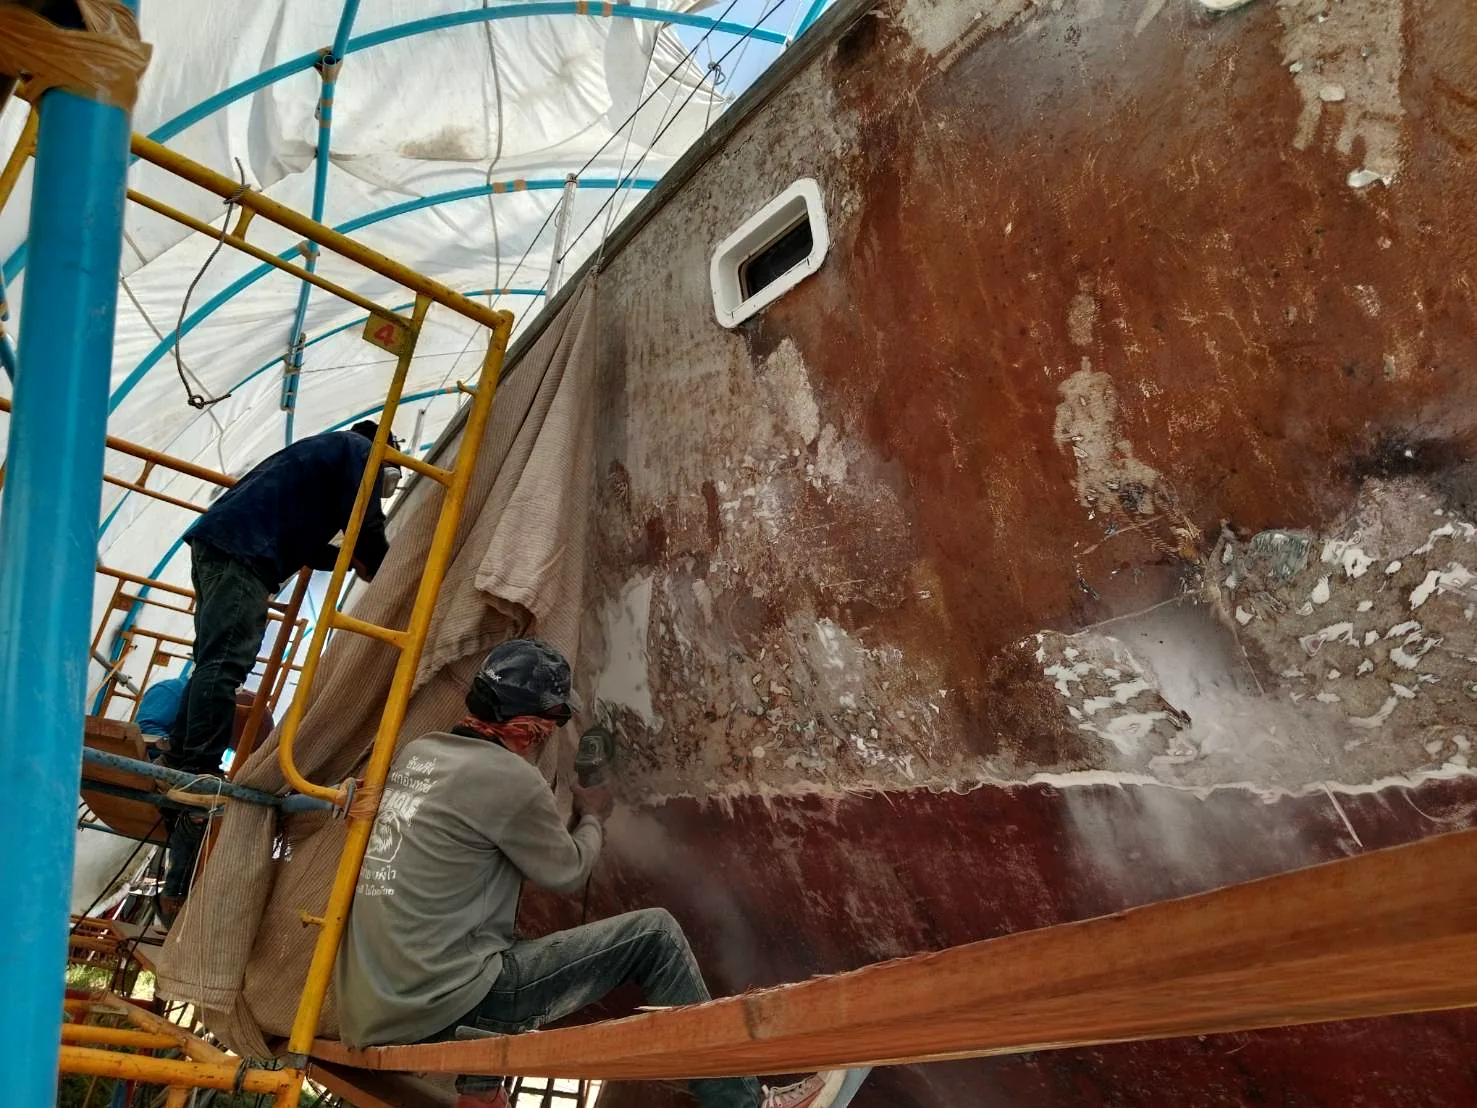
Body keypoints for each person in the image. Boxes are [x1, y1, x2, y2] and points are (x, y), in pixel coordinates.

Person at [335, 640, 851, 1108]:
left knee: (497, 938)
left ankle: (480, 1085)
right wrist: (593, 818)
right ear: (525, 728)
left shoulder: (418, 753)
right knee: (655, 935)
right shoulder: (509, 777)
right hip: (442, 1008)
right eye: (550, 727)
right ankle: (743, 1105)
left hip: (373, 1008)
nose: (548, 738)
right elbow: (567, 870)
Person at [158, 421, 400, 919]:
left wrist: (348, 558)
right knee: (226, 662)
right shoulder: (359, 450)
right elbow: (367, 523)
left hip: (228, 544)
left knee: (216, 661)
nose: (387, 482)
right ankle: (196, 767)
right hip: (242, 552)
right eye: (391, 475)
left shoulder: (320, 458)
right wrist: (384, 563)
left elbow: (312, 546)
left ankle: (184, 757)